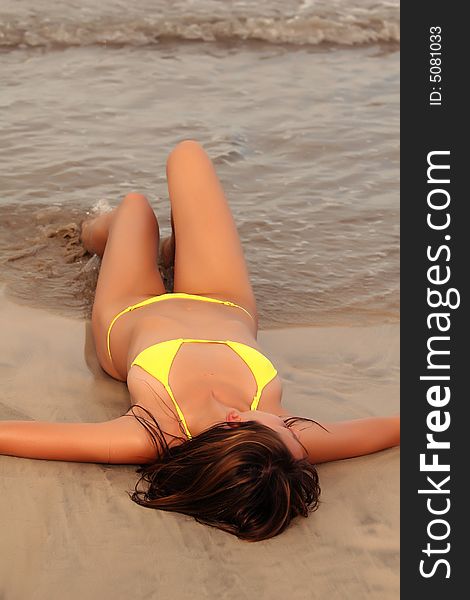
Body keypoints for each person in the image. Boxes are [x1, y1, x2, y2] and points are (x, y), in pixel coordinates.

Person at [0, 140, 400, 541]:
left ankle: (91, 235)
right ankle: (176, 251)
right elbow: (386, 428)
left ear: (235, 421)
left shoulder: (152, 432)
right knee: (188, 155)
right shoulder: (276, 442)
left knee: (136, 210)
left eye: (292, 435)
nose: (300, 430)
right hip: (223, 298)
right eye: (299, 441)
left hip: (129, 308)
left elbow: (33, 437)